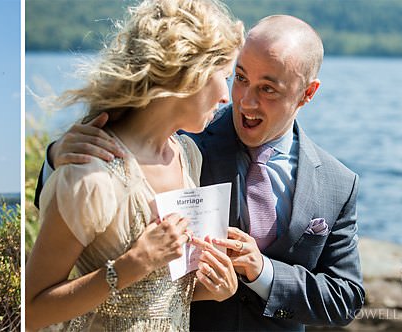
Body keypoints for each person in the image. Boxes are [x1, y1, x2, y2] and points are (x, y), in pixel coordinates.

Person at [36, 15, 365, 330]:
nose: (243, 101)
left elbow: (345, 299)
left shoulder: (338, 184)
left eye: (267, 89)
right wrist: (57, 158)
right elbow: (72, 207)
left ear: (307, 93)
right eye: (240, 77)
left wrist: (264, 272)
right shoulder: (184, 141)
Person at [24, 0, 244, 330]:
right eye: (224, 77)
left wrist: (215, 288)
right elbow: (30, 311)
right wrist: (134, 263)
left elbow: (154, 294)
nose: (227, 97)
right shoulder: (92, 176)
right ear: (188, 74)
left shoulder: (188, 156)